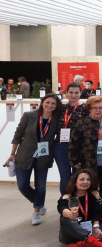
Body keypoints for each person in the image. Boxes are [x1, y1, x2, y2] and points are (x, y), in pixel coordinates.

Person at [5, 93, 62, 224]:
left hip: (43, 156)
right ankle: (39, 202)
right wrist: (12, 153)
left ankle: (36, 211)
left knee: (41, 186)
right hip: (24, 155)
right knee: (22, 185)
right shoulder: (29, 116)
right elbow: (18, 134)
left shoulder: (57, 120)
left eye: (53, 103)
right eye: (48, 102)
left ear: (56, 106)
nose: (50, 105)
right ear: (42, 102)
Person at [58, 169, 102, 247]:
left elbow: (98, 212)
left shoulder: (95, 194)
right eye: (82, 179)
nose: (85, 182)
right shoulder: (68, 196)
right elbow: (62, 208)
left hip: (90, 229)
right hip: (72, 233)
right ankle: (95, 244)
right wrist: (69, 214)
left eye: (88, 179)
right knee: (65, 219)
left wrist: (96, 226)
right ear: (75, 182)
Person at [68, 96, 102, 191]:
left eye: (101, 108)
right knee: (90, 189)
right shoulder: (82, 123)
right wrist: (74, 161)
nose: (98, 110)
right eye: (94, 108)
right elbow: (73, 144)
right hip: (88, 162)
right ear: (89, 108)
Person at [52, 82, 89, 195]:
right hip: (60, 147)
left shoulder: (85, 109)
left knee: (78, 176)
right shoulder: (60, 109)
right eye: (71, 92)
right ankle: (65, 202)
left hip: (79, 147)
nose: (73, 95)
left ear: (80, 93)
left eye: (76, 92)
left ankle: (78, 202)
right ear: (66, 93)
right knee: (65, 177)